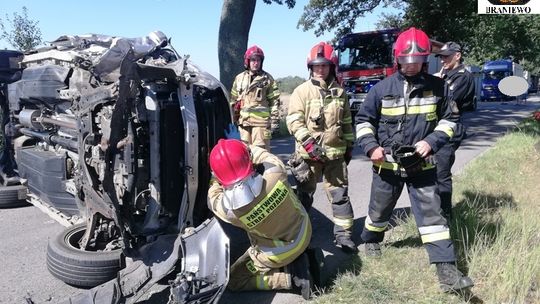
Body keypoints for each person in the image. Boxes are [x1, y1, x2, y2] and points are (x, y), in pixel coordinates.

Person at [354, 27, 474, 292]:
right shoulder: (381, 89)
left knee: (433, 217)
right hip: (386, 166)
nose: (411, 66)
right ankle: (371, 240)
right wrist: (371, 147)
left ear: (424, 60)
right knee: (379, 210)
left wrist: (430, 143)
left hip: (422, 165)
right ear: (397, 58)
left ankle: (448, 272)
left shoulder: (439, 87)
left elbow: (451, 120)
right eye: (407, 61)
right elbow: (363, 121)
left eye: (417, 61)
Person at [207, 139, 317, 300]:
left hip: (278, 254)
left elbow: (212, 196)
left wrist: (215, 176)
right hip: (304, 230)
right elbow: (260, 154)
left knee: (234, 280)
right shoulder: (276, 171)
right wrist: (243, 147)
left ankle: (291, 278)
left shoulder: (229, 211)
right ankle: (299, 256)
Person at [286, 42, 357, 253]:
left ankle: (344, 236)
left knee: (340, 195)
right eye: (316, 66)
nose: (320, 70)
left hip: (335, 156)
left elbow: (346, 122)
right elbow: (294, 121)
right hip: (308, 157)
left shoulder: (340, 92)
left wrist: (349, 146)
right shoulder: (301, 92)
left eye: (324, 66)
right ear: (310, 67)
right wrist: (309, 144)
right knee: (304, 196)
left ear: (332, 66)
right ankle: (298, 235)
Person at [434, 41, 475, 219]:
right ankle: (435, 210)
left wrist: (435, 83)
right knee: (433, 171)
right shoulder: (446, 74)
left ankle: (445, 215)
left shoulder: (462, 76)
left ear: (457, 55)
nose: (443, 60)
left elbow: (446, 98)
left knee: (441, 173)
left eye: (446, 56)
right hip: (439, 127)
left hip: (451, 129)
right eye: (441, 57)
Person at [230, 45, 281, 150]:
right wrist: (232, 119)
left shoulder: (268, 79)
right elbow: (233, 100)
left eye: (258, 60)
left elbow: (274, 101)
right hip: (243, 123)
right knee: (243, 152)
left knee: (260, 153)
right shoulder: (239, 78)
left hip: (261, 124)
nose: (256, 63)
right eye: (253, 60)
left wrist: (275, 121)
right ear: (247, 61)